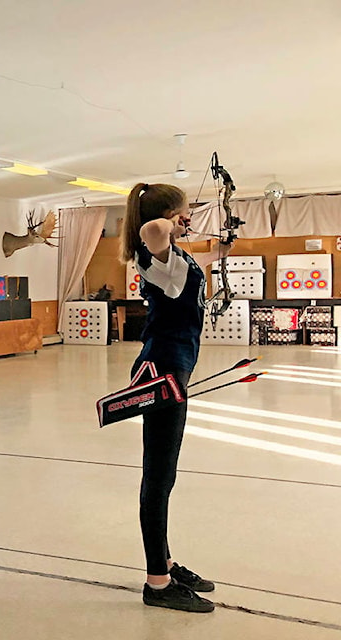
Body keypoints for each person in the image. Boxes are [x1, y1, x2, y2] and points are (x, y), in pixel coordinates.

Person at [119, 183, 233, 613]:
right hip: (161, 372)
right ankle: (157, 582)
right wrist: (170, 219)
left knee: (164, 477)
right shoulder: (156, 252)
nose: (188, 220)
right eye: (183, 214)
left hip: (174, 368)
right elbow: (150, 228)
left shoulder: (172, 257)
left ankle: (164, 561)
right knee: (158, 478)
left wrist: (181, 221)